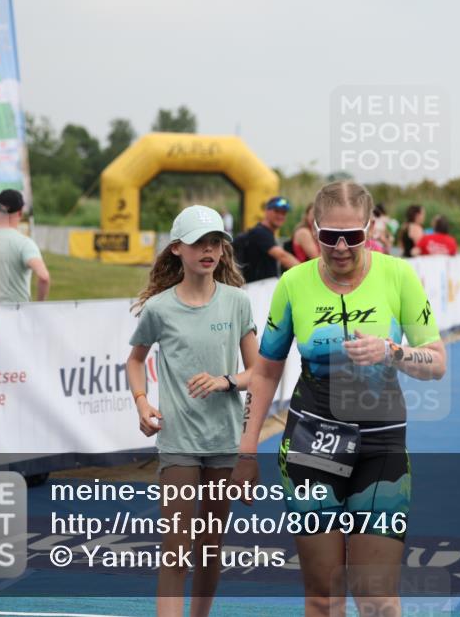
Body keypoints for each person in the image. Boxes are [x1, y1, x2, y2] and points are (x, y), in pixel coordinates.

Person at [231, 181, 446, 617]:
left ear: (370, 229)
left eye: (353, 236)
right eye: (330, 236)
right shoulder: (294, 283)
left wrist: (393, 351)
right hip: (312, 446)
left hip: (380, 447)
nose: (342, 247)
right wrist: (247, 449)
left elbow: (437, 362)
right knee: (323, 597)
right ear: (314, 229)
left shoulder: (399, 276)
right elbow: (266, 370)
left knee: (377, 597)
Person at [126, 205, 258, 617]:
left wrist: (225, 381)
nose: (209, 250)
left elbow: (259, 372)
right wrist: (142, 402)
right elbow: (135, 361)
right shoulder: (159, 308)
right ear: (176, 249)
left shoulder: (237, 302)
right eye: (199, 242)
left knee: (210, 546)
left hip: (224, 441)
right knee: (176, 548)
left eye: (215, 242)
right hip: (179, 442)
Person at [233, 196, 300, 282]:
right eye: (276, 211)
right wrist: (305, 272)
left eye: (283, 213)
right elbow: (283, 256)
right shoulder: (260, 233)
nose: (280, 216)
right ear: (266, 211)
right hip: (257, 286)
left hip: (262, 285)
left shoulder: (265, 233)